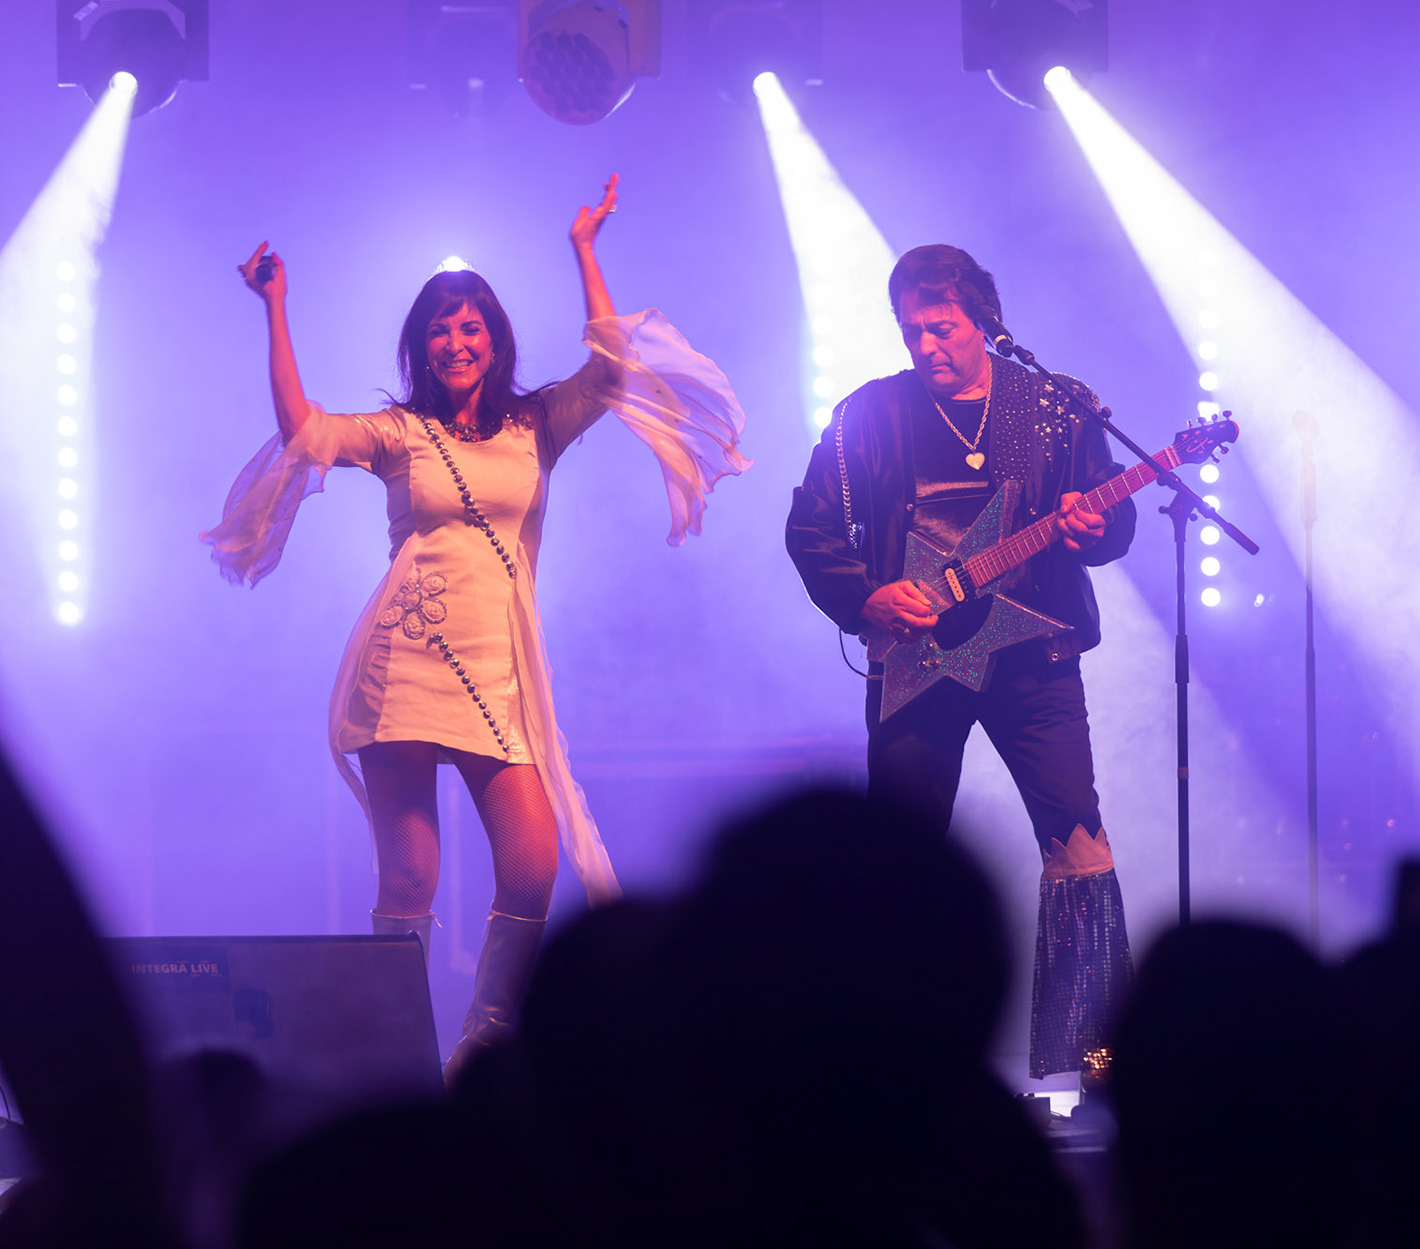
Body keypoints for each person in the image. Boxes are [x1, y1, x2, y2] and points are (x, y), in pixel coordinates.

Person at [203, 176, 748, 1080]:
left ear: (493, 340)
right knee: (409, 884)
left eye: (471, 327)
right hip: (405, 657)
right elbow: (302, 429)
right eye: (439, 331)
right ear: (421, 346)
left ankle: (480, 1052)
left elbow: (613, 371)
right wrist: (277, 305)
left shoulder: (537, 424)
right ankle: (391, 1060)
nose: (456, 342)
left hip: (499, 673)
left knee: (532, 869)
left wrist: (584, 248)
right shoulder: (398, 431)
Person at [786, 244, 1137, 1082]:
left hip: (1036, 661)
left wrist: (1099, 530)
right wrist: (868, 598)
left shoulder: (1053, 406)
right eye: (913, 333)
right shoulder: (868, 417)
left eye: (942, 329)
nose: (926, 348)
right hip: (915, 664)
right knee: (897, 860)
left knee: (1079, 838)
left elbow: (1110, 520)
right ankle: (892, 1063)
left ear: (984, 323)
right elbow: (809, 532)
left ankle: (1100, 1056)